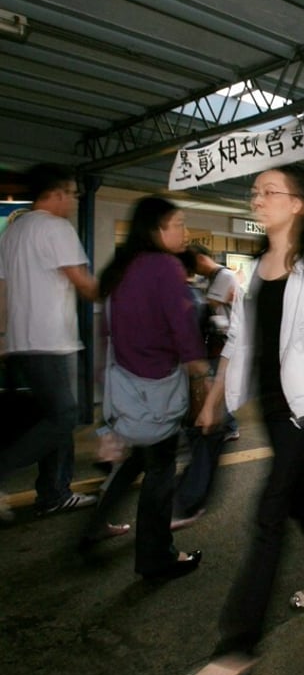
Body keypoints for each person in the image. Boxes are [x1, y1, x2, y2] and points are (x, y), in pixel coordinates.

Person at [180, 164, 304, 675]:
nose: (257, 199)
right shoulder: (258, 267)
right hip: (271, 409)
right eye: (255, 192)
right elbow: (239, 340)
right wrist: (214, 399)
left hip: (300, 410)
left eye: (269, 192)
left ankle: (236, 648)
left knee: (268, 513)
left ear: (298, 204)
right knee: (299, 495)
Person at [81, 196, 206, 577]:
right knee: (160, 472)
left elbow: (106, 331)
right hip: (158, 391)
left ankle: (91, 530)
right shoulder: (166, 268)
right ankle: (156, 556)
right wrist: (201, 375)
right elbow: (182, 330)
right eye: (178, 224)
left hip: (125, 390)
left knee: (136, 458)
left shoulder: (121, 267)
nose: (184, 232)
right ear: (157, 229)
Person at [0, 163, 99, 519]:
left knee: (55, 416)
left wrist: (3, 336)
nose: (73, 200)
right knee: (64, 416)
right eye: (72, 193)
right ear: (56, 193)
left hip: (20, 342)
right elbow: (84, 283)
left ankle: (55, 492)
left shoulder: (13, 231)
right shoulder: (57, 228)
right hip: (51, 341)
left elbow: (2, 290)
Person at [170, 245, 240, 530]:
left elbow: (212, 309)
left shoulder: (220, 278)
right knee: (207, 431)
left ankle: (184, 499)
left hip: (216, 354)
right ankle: (186, 501)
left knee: (206, 428)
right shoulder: (193, 291)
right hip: (209, 360)